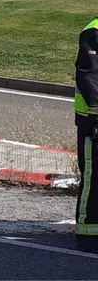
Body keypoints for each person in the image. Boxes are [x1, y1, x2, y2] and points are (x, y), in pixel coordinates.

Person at [74, 18, 98, 251]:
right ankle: (89, 230)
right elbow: (89, 76)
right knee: (93, 177)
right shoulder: (94, 31)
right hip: (93, 121)